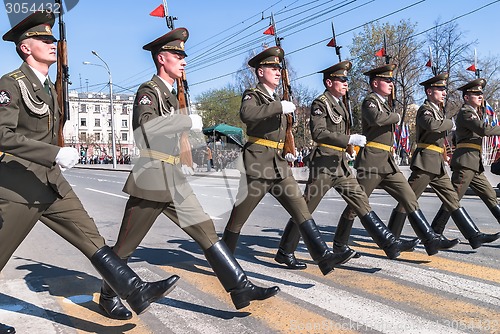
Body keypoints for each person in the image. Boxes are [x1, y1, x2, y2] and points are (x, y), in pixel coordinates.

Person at [0, 11, 178, 333]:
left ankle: (134, 291)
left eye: (53, 38)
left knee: (91, 238)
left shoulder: (48, 89)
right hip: (18, 186)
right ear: (25, 48)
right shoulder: (11, 85)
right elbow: (2, 135)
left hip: (50, 182)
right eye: (44, 39)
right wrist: (55, 152)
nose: (52, 44)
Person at [97, 28, 279, 320]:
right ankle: (107, 296)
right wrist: (183, 119)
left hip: (173, 176)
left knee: (205, 230)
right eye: (177, 55)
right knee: (126, 246)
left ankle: (240, 287)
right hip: (152, 177)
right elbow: (144, 131)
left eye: (184, 55)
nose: (183, 60)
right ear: (161, 58)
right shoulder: (149, 91)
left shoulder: (169, 95)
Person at [221, 47, 355, 276]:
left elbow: (283, 132)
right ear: (260, 72)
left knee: (301, 208)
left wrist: (287, 148)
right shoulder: (252, 95)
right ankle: (224, 264)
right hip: (258, 164)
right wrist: (278, 107)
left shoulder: (276, 98)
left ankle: (323, 256)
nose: (277, 71)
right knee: (239, 217)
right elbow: (247, 115)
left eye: (278, 67)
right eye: (272, 68)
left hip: (279, 165)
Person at [273, 61, 419, 269]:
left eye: (346, 80)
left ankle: (389, 243)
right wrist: (349, 140)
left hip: (340, 164)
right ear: (329, 82)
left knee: (360, 201)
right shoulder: (320, 103)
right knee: (305, 208)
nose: (346, 83)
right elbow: (319, 133)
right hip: (324, 163)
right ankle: (285, 251)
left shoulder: (341, 105)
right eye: (342, 80)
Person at [336, 64, 448, 256]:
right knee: (356, 205)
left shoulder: (385, 104)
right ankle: (339, 244)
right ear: (375, 83)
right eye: (387, 80)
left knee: (409, 196)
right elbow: (377, 120)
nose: (391, 84)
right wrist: (395, 115)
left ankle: (429, 239)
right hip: (371, 162)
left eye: (391, 80)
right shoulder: (369, 101)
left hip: (387, 162)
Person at [386, 73, 498, 249]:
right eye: (440, 89)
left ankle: (472, 235)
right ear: (430, 92)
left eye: (444, 89)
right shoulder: (425, 109)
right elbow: (432, 125)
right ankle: (391, 237)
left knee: (452, 198)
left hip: (436, 162)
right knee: (408, 199)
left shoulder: (438, 111)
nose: (444, 93)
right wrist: (449, 123)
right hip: (425, 162)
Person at [429, 78, 500, 248]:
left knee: (490, 196)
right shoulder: (465, 113)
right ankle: (434, 233)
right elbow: (483, 130)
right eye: (476, 94)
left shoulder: (475, 113)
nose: (480, 96)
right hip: (465, 162)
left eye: (481, 93)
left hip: (474, 164)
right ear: (466, 97)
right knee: (453, 198)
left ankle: (441, 233)